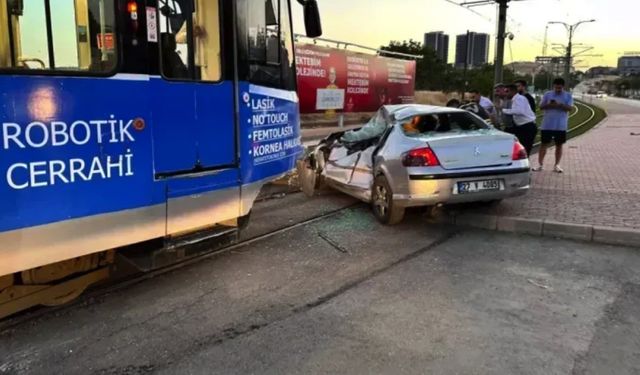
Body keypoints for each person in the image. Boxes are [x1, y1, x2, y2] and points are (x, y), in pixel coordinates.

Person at [534, 78, 574, 173]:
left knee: (559, 145)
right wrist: (549, 104)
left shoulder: (568, 96)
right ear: (553, 86)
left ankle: (557, 165)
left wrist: (560, 104)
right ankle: (540, 164)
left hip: (560, 125)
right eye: (556, 87)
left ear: (563, 87)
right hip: (547, 124)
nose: (558, 89)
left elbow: (570, 108)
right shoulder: (548, 94)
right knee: (543, 144)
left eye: (560, 88)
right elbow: (541, 107)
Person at [498, 84, 538, 156]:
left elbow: (519, 111)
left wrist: (504, 110)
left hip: (527, 126)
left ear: (512, 91)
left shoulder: (519, 99)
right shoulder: (514, 100)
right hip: (521, 127)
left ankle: (525, 165)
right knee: (520, 148)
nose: (505, 93)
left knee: (525, 149)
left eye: (507, 91)